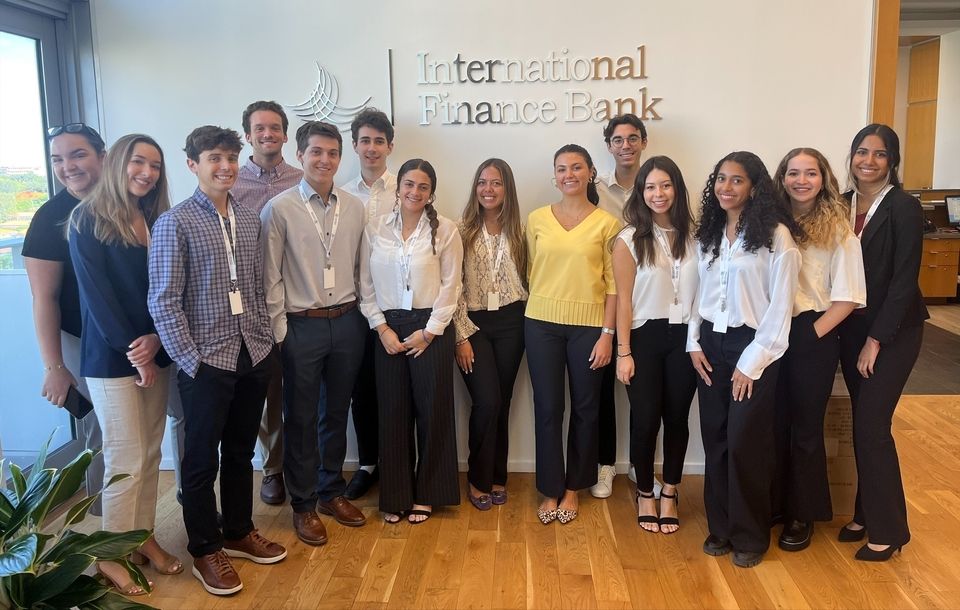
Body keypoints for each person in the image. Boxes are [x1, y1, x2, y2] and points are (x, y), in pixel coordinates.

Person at [148, 126, 286, 596]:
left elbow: (257, 286)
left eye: (230, 157)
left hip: (252, 351)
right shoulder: (174, 223)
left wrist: (264, 343)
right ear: (193, 165)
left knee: (242, 451)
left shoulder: (248, 218)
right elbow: (163, 300)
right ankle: (206, 547)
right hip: (205, 361)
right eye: (214, 158)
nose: (225, 166)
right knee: (201, 459)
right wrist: (191, 360)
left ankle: (239, 530)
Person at [68, 133, 178, 595]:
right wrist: (137, 354)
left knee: (150, 453)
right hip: (112, 360)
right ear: (117, 162)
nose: (146, 173)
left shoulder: (154, 218)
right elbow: (99, 300)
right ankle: (109, 554)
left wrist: (157, 343)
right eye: (138, 162)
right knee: (125, 458)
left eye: (155, 165)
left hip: (155, 350)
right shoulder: (87, 218)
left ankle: (141, 536)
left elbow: (165, 290)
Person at [687, 151, 801, 568]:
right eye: (721, 179)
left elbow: (780, 306)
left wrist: (752, 362)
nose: (726, 187)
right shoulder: (709, 233)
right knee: (715, 438)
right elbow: (698, 292)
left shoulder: (776, 236)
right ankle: (721, 527)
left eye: (736, 180)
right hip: (709, 345)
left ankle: (750, 535)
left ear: (754, 187)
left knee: (745, 442)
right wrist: (693, 342)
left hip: (754, 347)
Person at [261, 121, 368, 546]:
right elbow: (270, 276)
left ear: (341, 158)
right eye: (317, 152)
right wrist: (281, 332)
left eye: (333, 153)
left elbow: (360, 268)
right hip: (300, 325)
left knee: (336, 413)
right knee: (301, 418)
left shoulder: (354, 207)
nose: (325, 160)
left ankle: (330, 491)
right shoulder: (279, 208)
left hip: (346, 321)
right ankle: (303, 505)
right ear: (300, 155)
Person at [836, 124, 928, 562]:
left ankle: (890, 531)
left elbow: (904, 281)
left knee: (872, 427)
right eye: (861, 152)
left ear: (892, 161)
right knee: (862, 423)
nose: (868, 161)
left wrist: (875, 340)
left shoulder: (904, 207)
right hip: (850, 328)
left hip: (893, 331)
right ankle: (865, 513)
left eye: (879, 153)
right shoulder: (841, 204)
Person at [771, 148, 866, 552]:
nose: (801, 181)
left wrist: (810, 336)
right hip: (769, 332)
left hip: (813, 333)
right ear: (782, 179)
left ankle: (802, 513)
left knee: (806, 428)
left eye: (810, 173)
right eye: (793, 173)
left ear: (823, 179)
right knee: (773, 424)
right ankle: (775, 503)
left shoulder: (839, 230)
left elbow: (849, 297)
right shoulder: (769, 223)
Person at [359, 158, 463, 524]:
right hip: (387, 329)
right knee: (392, 412)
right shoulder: (375, 229)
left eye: (422, 186)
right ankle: (397, 494)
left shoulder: (445, 229)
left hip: (430, 328)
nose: (414, 192)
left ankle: (429, 493)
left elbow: (452, 286)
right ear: (398, 187)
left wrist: (430, 332)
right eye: (409, 184)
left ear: (431, 192)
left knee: (432, 412)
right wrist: (381, 328)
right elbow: (365, 285)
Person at [526, 144, 620, 525]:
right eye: (562, 168)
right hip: (540, 324)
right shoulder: (535, 219)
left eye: (577, 167)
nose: (569, 174)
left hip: (590, 328)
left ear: (590, 173)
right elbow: (531, 270)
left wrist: (607, 334)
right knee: (548, 408)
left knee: (586, 408)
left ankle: (573, 489)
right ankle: (551, 488)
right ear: (554, 175)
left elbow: (614, 286)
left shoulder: (608, 224)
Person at [612, 156, 698, 534]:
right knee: (645, 419)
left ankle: (671, 491)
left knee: (677, 419)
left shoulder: (697, 236)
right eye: (650, 187)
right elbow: (624, 301)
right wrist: (624, 352)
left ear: (676, 188)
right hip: (644, 336)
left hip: (687, 337)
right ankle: (645, 491)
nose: (658, 193)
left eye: (665, 185)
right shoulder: (629, 239)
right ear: (641, 192)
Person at [23, 123, 106, 511]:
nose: (67, 166)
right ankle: (110, 530)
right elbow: (44, 298)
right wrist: (54, 366)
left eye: (78, 155)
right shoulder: (49, 218)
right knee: (101, 432)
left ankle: (184, 506)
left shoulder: (129, 202)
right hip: (82, 341)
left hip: (139, 338)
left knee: (178, 417)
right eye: (58, 159)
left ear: (103, 157)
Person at [232, 100, 304, 505]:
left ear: (285, 134)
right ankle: (273, 468)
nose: (267, 134)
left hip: (300, 300)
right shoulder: (232, 182)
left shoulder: (302, 179)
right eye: (259, 128)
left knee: (305, 391)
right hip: (253, 305)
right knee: (268, 393)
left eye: (275, 128)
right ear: (248, 135)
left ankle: (303, 466)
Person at [452, 158, 527, 510]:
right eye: (482, 182)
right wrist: (461, 336)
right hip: (474, 324)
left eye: (496, 183)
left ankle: (499, 475)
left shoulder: (521, 232)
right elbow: (452, 287)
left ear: (507, 188)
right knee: (487, 401)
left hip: (513, 322)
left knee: (503, 401)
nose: (488, 189)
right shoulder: (460, 230)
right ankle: (478, 479)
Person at [592, 114, 649, 498]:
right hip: (604, 302)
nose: (625, 145)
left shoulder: (658, 184)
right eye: (617, 139)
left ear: (643, 141)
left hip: (646, 304)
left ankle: (640, 467)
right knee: (600, 393)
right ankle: (605, 465)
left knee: (643, 394)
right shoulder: (595, 190)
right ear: (609, 146)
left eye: (632, 138)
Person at [342, 108, 397, 500]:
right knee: (360, 389)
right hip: (355, 305)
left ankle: (397, 462)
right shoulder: (343, 195)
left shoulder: (406, 187)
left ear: (390, 146)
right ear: (355, 145)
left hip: (397, 305)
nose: (372, 148)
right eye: (365, 141)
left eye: (379, 141)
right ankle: (367, 464)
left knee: (396, 388)